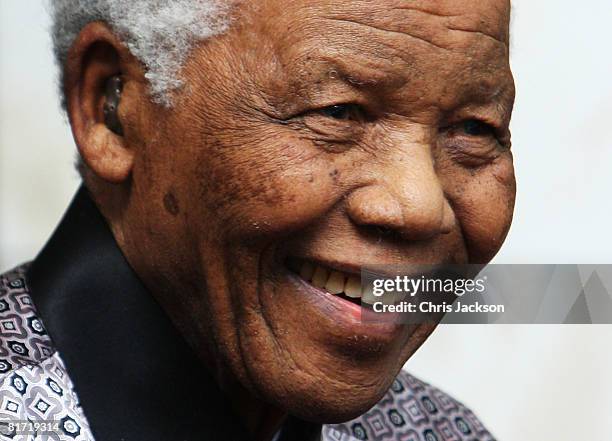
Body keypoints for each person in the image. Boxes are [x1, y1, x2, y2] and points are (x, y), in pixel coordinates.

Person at [0, 0, 515, 439]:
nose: (421, 205)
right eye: (337, 112)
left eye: (475, 128)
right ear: (113, 109)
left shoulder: (439, 430)